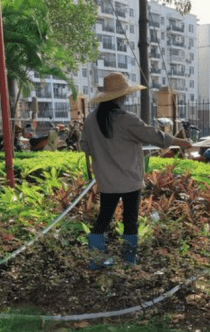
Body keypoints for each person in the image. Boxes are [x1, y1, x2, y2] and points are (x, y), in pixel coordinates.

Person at [80, 72, 192, 269]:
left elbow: (85, 147)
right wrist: (182, 142)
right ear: (121, 96)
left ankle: (95, 260)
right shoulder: (126, 119)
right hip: (130, 180)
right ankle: (129, 260)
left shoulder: (90, 120)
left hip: (107, 181)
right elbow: (154, 135)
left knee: (103, 218)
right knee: (130, 219)